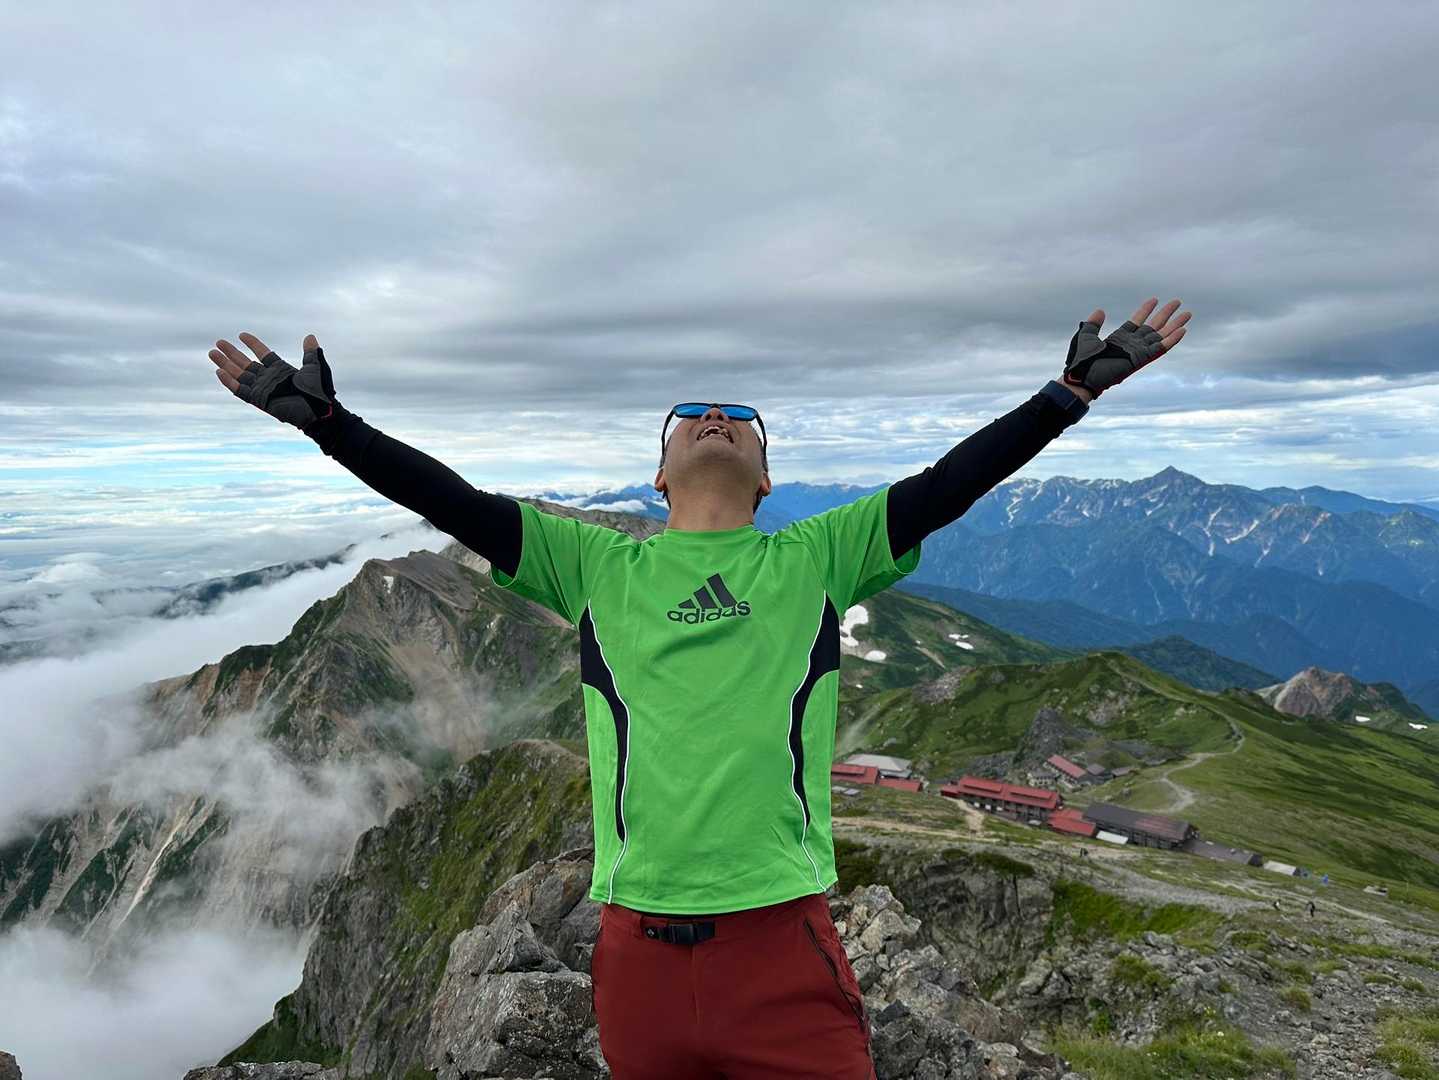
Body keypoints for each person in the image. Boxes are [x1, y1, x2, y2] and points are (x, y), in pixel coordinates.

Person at [206, 297, 1191, 1080]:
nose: (715, 420)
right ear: (659, 475)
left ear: (763, 481)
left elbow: (949, 483)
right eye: (690, 419)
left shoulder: (818, 555)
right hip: (633, 954)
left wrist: (1067, 394)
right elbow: (447, 499)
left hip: (781, 940)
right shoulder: (591, 565)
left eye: (740, 423)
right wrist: (330, 425)